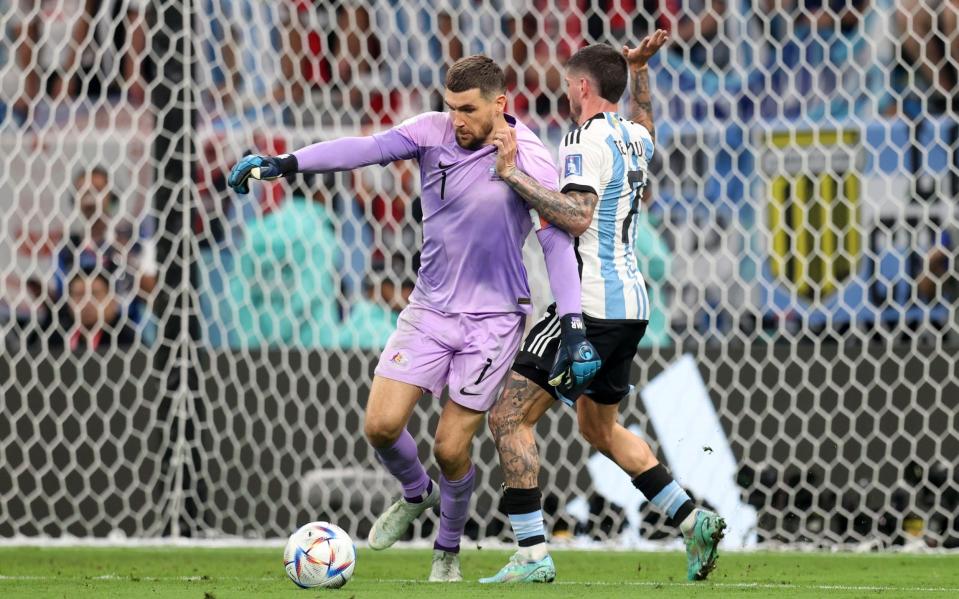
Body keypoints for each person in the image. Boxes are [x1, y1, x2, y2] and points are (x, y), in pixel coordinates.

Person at [227, 55, 601, 582]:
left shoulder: (532, 158)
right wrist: (285, 163)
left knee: (451, 448)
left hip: (493, 320)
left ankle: (446, 551)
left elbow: (556, 246)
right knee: (379, 427)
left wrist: (573, 324)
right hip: (429, 307)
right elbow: (364, 149)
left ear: (499, 104)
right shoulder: (432, 133)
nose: (458, 121)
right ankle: (415, 493)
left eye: (468, 110)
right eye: (450, 108)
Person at [478, 35, 726, 584]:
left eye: (569, 86)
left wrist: (514, 174)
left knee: (508, 417)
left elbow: (578, 215)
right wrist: (639, 71)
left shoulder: (582, 139)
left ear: (583, 87)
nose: (567, 94)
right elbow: (649, 122)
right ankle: (692, 520)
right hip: (632, 306)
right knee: (598, 428)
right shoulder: (634, 137)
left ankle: (532, 555)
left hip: (589, 307)